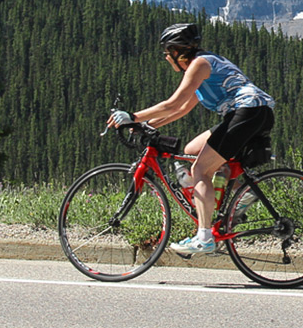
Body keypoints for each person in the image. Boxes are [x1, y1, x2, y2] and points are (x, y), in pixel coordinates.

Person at [107, 23, 274, 256]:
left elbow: (172, 103)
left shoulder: (199, 65)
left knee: (200, 171)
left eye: (167, 52)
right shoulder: (205, 64)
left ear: (177, 51)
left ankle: (205, 237)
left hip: (247, 112)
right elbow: (181, 110)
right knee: (192, 148)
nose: (165, 57)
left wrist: (133, 116)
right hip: (251, 113)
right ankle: (237, 193)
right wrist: (146, 125)